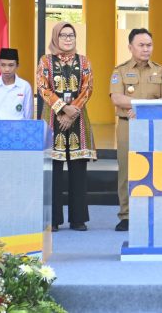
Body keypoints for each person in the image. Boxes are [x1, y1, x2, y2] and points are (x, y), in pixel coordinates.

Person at [110, 28, 162, 232]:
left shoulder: (161, 71)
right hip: (129, 126)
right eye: (141, 45)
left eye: (149, 45)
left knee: (156, 167)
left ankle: (155, 211)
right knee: (127, 170)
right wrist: (141, 106)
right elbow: (117, 98)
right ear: (130, 47)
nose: (146, 49)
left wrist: (140, 108)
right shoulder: (119, 71)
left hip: (155, 126)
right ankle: (126, 215)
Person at [36, 22, 95, 232]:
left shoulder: (84, 61)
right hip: (53, 119)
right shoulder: (45, 61)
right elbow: (42, 87)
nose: (68, 39)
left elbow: (88, 88)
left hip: (78, 119)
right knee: (53, 172)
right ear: (55, 37)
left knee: (78, 170)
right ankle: (53, 220)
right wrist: (62, 109)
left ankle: (78, 219)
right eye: (63, 35)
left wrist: (72, 111)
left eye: (71, 35)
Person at [0, 48, 33, 120]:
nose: (7, 69)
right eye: (3, 65)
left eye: (11, 65)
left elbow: (28, 115)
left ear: (17, 66)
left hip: (18, 129)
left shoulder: (25, 86)